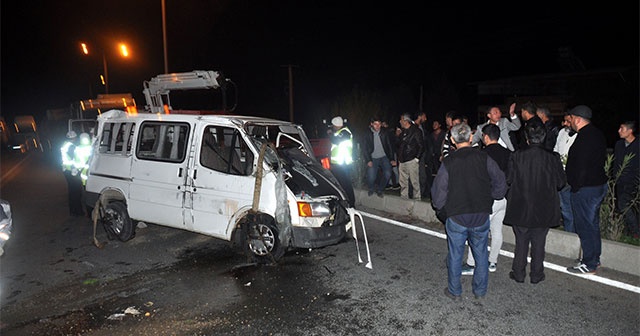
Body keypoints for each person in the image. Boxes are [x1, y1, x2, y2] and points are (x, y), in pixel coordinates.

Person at [431, 123, 507, 300]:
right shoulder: (484, 157)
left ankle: (455, 291)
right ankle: (480, 291)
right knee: (481, 255)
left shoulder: (449, 162)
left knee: (456, 254)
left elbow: (438, 193)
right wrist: (493, 196)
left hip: (457, 216)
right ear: (471, 138)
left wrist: (442, 209)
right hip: (480, 215)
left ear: (452, 140)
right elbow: (500, 181)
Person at [503, 121, 566, 284]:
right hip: (543, 206)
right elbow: (560, 183)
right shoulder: (553, 157)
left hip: (520, 205)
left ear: (527, 137)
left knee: (521, 241)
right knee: (539, 242)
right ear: (544, 137)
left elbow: (508, 179)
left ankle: (518, 273)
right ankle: (537, 275)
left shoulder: (516, 155)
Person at [461, 124, 511, 275]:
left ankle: (471, 263)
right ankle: (492, 262)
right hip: (503, 198)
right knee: (496, 230)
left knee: (476, 231)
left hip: (487, 198)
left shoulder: (482, 154)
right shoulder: (508, 153)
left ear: (486, 137)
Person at [565, 105, 607, 275]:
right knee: (592, 224)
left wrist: (576, 187)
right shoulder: (597, 133)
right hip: (596, 185)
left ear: (577, 119)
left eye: (571, 119)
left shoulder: (585, 137)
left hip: (586, 189)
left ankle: (589, 263)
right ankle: (593, 258)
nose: (570, 122)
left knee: (585, 226)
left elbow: (581, 166)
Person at [613, 120, 639, 237]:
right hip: (619, 180)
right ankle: (627, 231)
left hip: (633, 181)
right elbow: (616, 162)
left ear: (630, 131)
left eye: (622, 129)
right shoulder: (619, 145)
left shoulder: (638, 145)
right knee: (621, 205)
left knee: (625, 205)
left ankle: (635, 232)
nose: (619, 131)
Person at [554, 112, 578, 233]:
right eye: (565, 121)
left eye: (569, 121)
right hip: (561, 174)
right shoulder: (562, 133)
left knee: (571, 207)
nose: (566, 124)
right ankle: (569, 231)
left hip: (574, 176)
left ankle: (572, 233)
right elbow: (556, 150)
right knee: (564, 206)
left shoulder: (580, 136)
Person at [362, 116, 396, 198]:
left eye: (379, 124)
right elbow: (365, 148)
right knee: (371, 177)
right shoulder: (367, 133)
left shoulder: (384, 132)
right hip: (373, 157)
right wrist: (368, 160)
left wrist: (391, 159)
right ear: (371, 124)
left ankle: (380, 189)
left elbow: (389, 145)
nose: (377, 126)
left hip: (384, 156)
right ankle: (371, 188)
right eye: (375, 124)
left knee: (388, 174)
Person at [329, 116, 355, 208]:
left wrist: (330, 134)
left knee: (346, 185)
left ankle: (351, 205)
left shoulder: (345, 132)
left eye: (333, 125)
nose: (332, 127)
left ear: (336, 125)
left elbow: (336, 141)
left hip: (343, 163)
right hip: (338, 164)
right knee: (340, 185)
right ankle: (343, 204)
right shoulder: (340, 132)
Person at [397, 113, 423, 200]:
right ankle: (404, 198)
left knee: (414, 181)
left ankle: (417, 198)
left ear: (405, 121)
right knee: (403, 182)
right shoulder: (402, 131)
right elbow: (399, 145)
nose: (400, 121)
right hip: (402, 160)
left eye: (401, 119)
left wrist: (417, 158)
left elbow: (421, 146)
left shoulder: (416, 131)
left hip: (411, 160)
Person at [60, 131, 85, 216]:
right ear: (73, 138)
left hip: (67, 171)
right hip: (72, 172)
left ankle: (72, 210)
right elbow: (75, 159)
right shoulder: (71, 147)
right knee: (76, 192)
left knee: (71, 191)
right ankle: (78, 211)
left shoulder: (64, 145)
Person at [414, 111, 434, 198]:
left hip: (421, 155)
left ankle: (420, 194)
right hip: (413, 155)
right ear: (420, 116)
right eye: (424, 117)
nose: (426, 119)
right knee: (414, 175)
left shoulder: (422, 128)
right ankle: (413, 194)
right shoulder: (412, 127)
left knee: (422, 176)